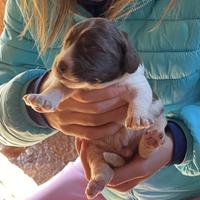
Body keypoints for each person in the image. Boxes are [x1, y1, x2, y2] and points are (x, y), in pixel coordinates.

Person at [0, 0, 200, 199]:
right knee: (96, 160)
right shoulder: (28, 5)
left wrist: (181, 141)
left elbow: (143, 97)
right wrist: (36, 105)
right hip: (104, 182)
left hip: (187, 186)